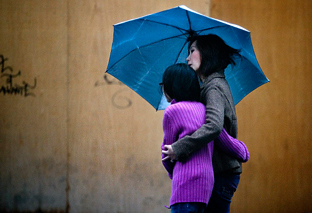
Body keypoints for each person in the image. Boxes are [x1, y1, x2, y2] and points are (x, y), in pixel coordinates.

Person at [162, 34, 243, 213]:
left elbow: (214, 126)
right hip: (221, 172)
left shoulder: (213, 87)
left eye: (192, 51)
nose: (187, 58)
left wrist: (179, 147)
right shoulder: (209, 85)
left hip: (222, 173)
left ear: (207, 53)